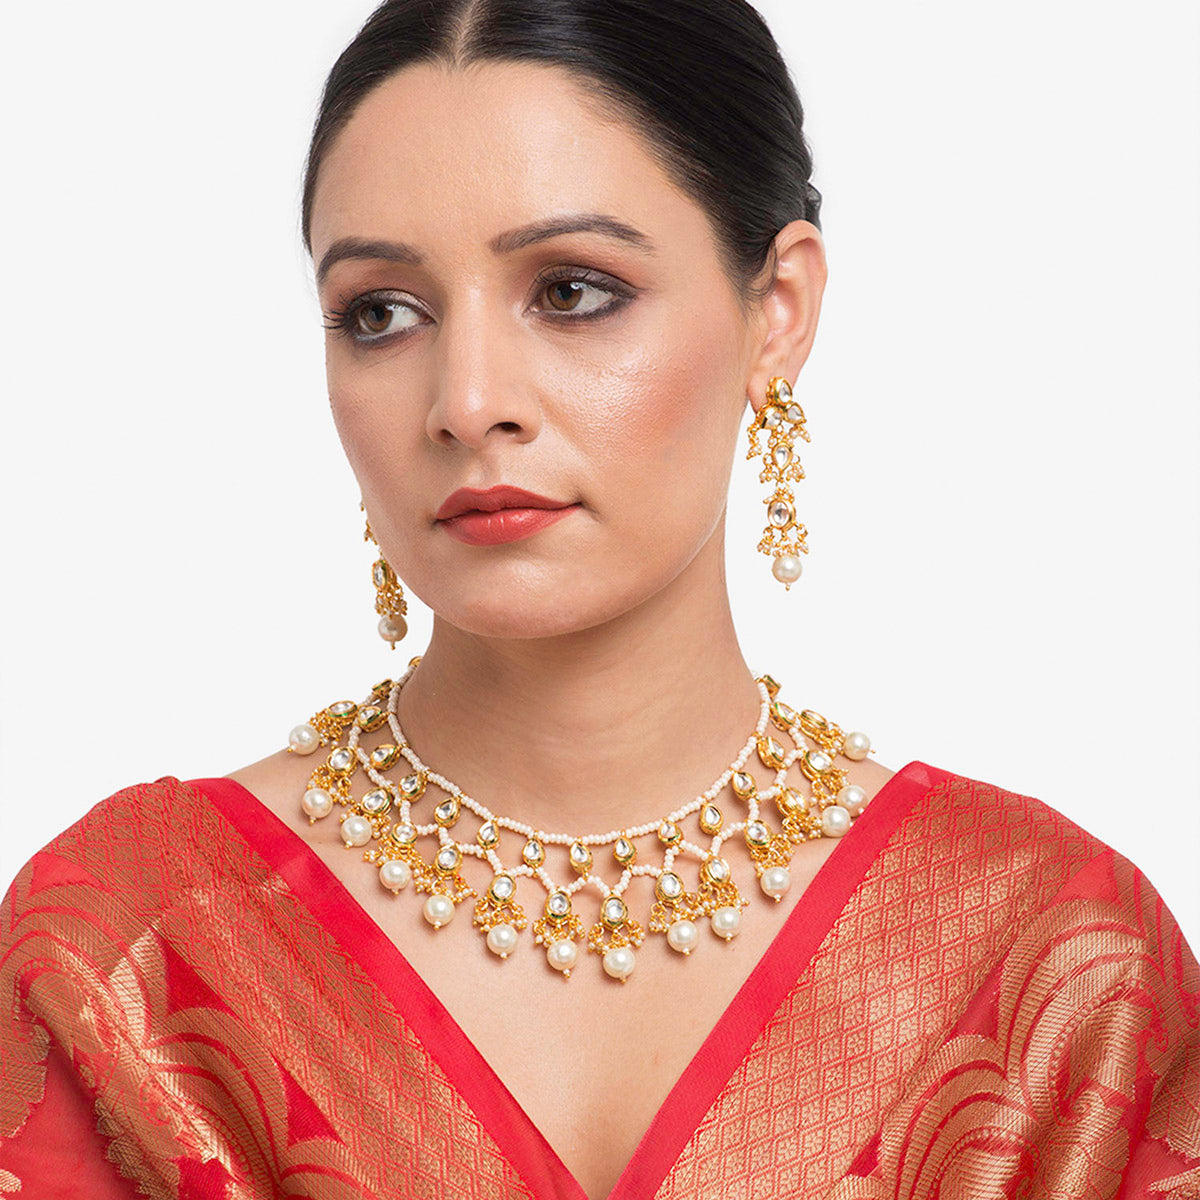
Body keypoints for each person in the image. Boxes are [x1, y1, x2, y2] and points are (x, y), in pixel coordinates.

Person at [2, 1, 1197, 1197]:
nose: (468, 401)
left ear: (778, 309)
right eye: (383, 313)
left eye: (573, 291)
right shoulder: (133, 946)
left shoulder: (1051, 956)